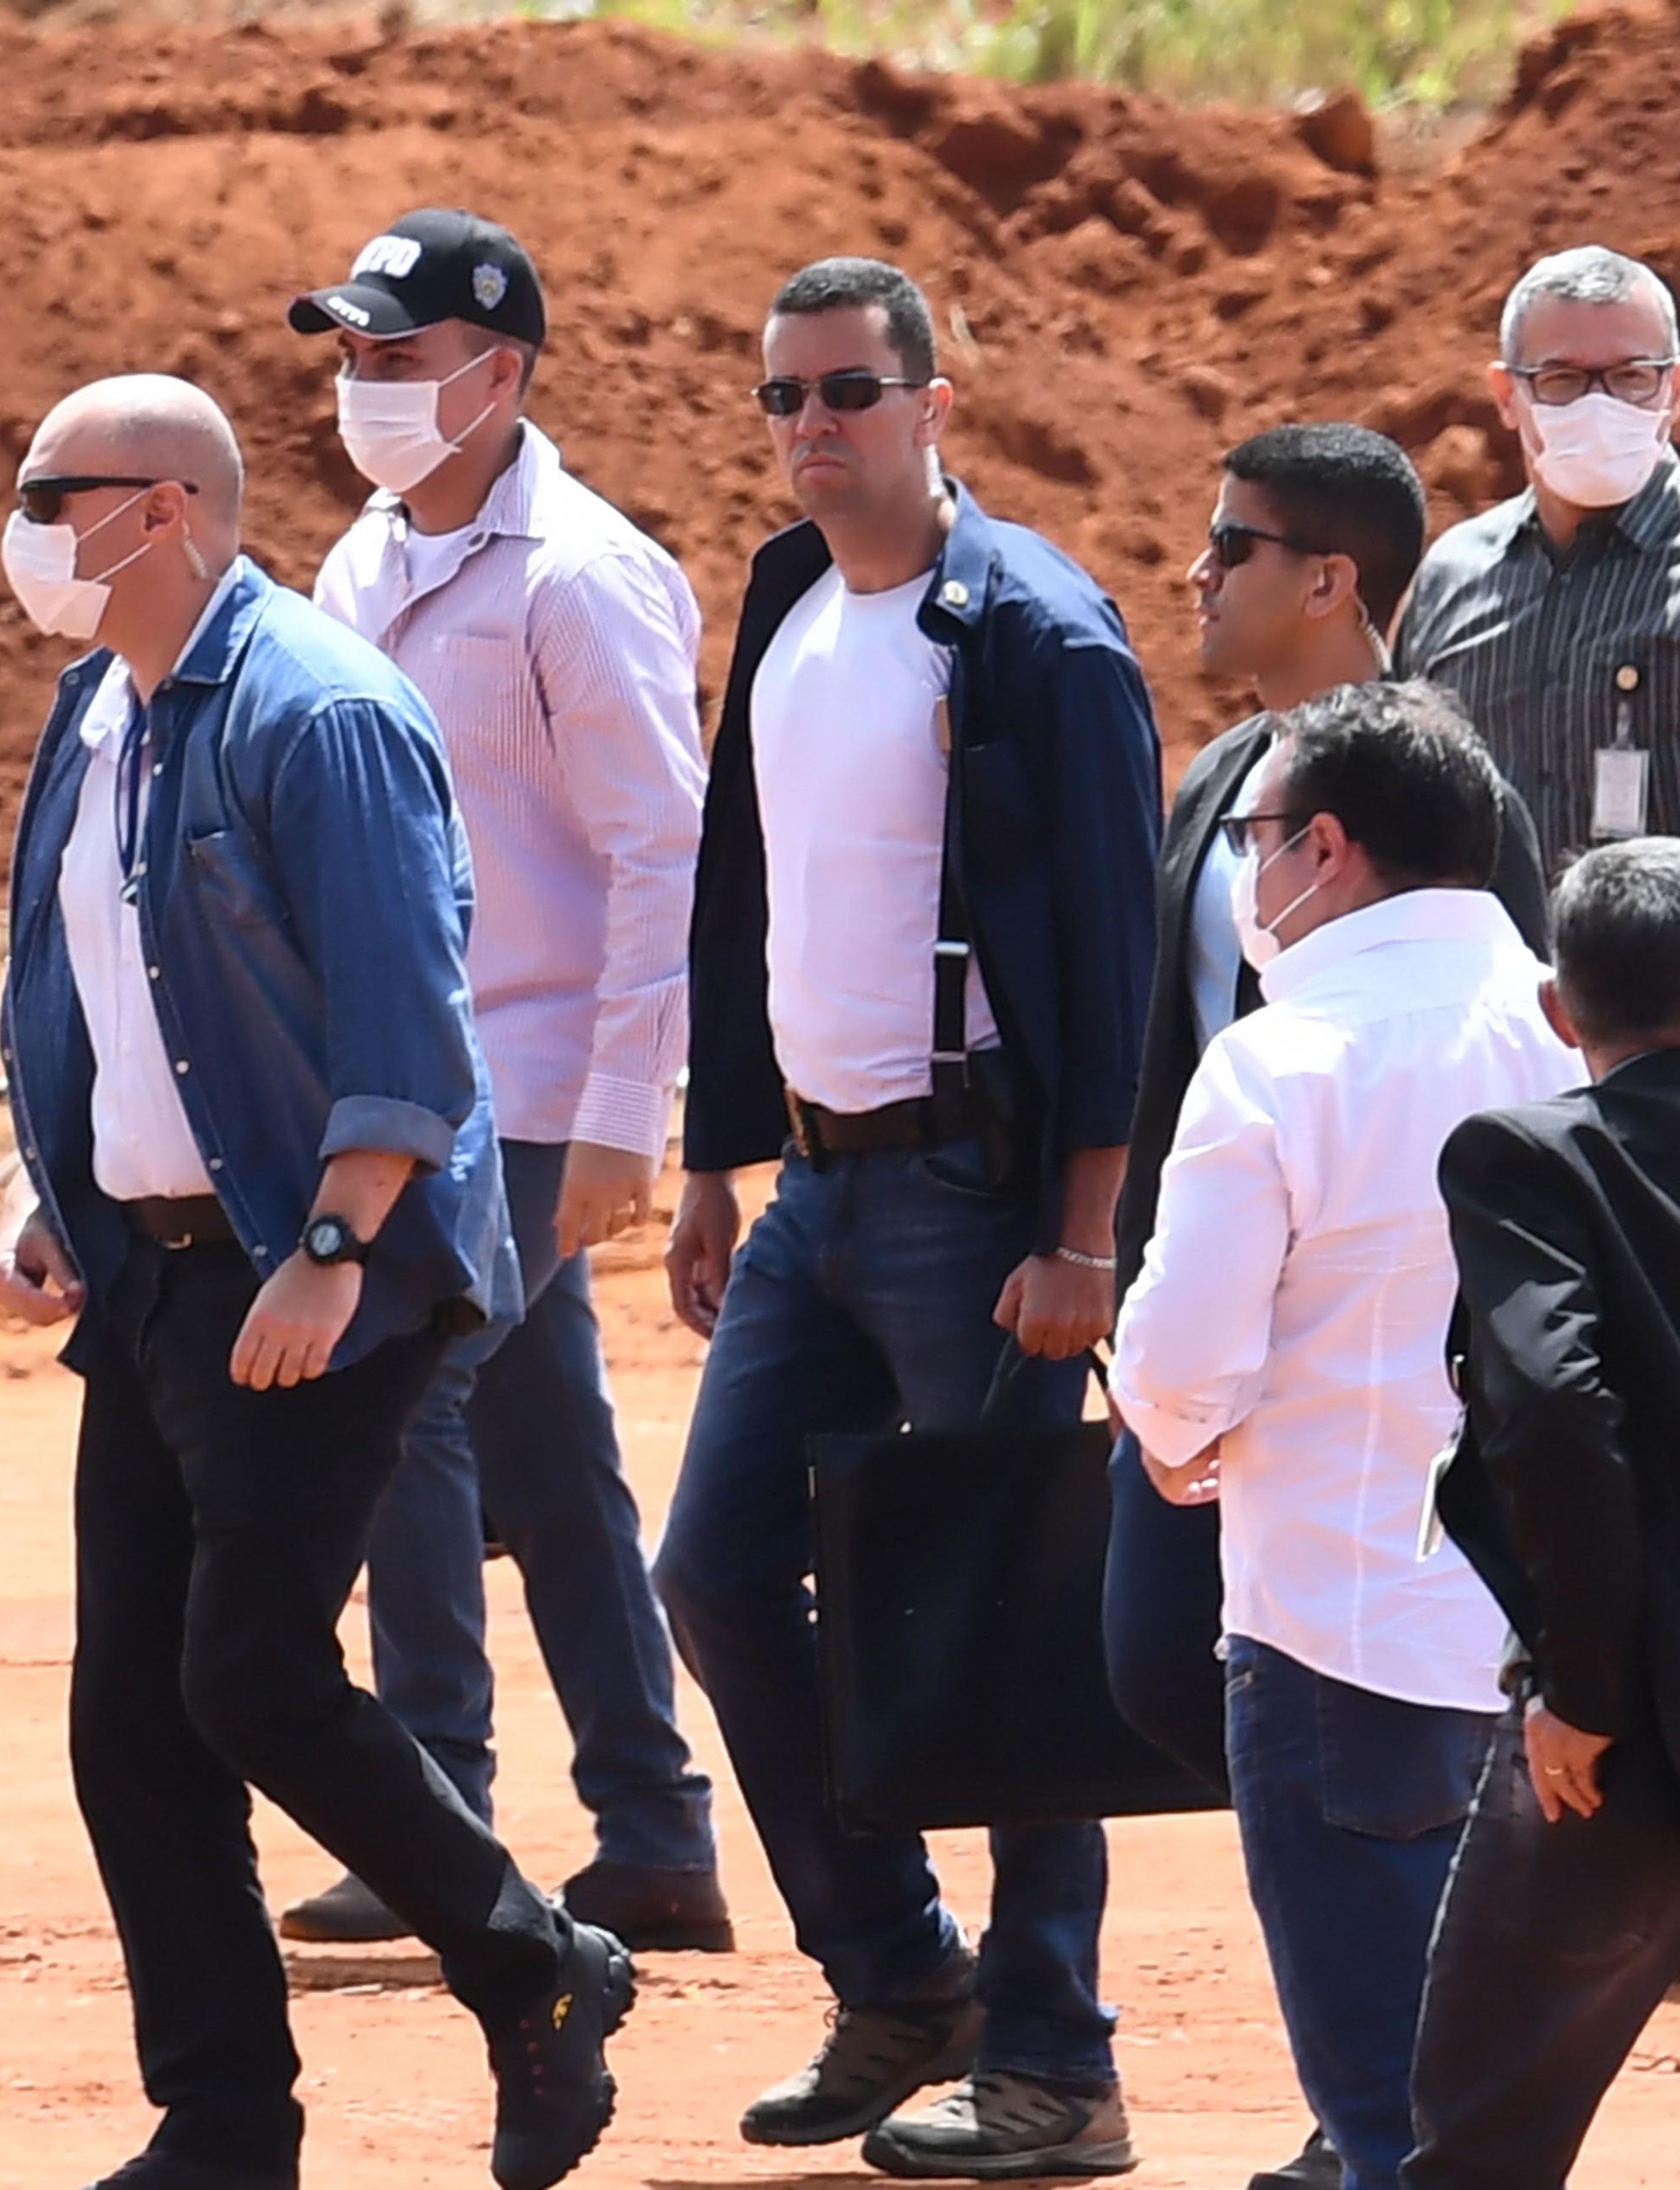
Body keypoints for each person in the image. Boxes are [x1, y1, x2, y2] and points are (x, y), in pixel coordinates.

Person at [0, 371, 632, 2190]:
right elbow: (103, 984)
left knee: (251, 1673)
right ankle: (224, 2118)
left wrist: (336, 1242)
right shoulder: (96, 712)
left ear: (166, 507)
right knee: (133, 1716)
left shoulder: (323, 711)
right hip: (159, 1275)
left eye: (55, 488)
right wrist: (76, 1185)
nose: (26, 523)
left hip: (318, 1267)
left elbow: (407, 1007)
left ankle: (536, 1961)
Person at [651, 256, 1156, 2178]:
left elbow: (1114, 966)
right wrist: (714, 1152)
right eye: (783, 397)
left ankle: (1058, 2060)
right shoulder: (788, 598)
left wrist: (1087, 1229)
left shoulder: (1036, 635)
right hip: (816, 1188)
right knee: (711, 1570)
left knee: (1017, 1623)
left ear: (939, 403)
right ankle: (896, 1968)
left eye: (848, 393)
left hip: (981, 1195)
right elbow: (736, 890)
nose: (811, 430)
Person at [275, 209, 726, 1956]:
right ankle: (655, 1824)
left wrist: (630, 1106)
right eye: (354, 354)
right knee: (545, 1456)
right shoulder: (363, 564)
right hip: (422, 1078)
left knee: (414, 1426)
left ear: (503, 369)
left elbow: (660, 853)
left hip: (530, 1087)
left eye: (397, 355)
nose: (365, 385)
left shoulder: (578, 576)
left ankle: (438, 1814)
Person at [1111, 423, 1548, 2190]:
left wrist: (1184, 1435)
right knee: (1505, 2112)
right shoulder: (1566, 1030)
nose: (1249, 864)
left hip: (1333, 1629)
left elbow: (1178, 1366)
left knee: (1389, 2121)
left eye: (1269, 838)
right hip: (1542, 1649)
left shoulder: (1280, 1061)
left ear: (1334, 849)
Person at [1411, 838, 1680, 2187]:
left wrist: (1585, 1684)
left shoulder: (1534, 1159)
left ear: (1559, 1012)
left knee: (1484, 2144)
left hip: (1623, 1747)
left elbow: (1558, 1410)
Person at [1395, 245, 1680, 869]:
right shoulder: (1453, 578)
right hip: (1486, 964)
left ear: (1674, 388)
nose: (1601, 406)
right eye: (1563, 380)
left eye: (1633, 376)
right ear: (1506, 394)